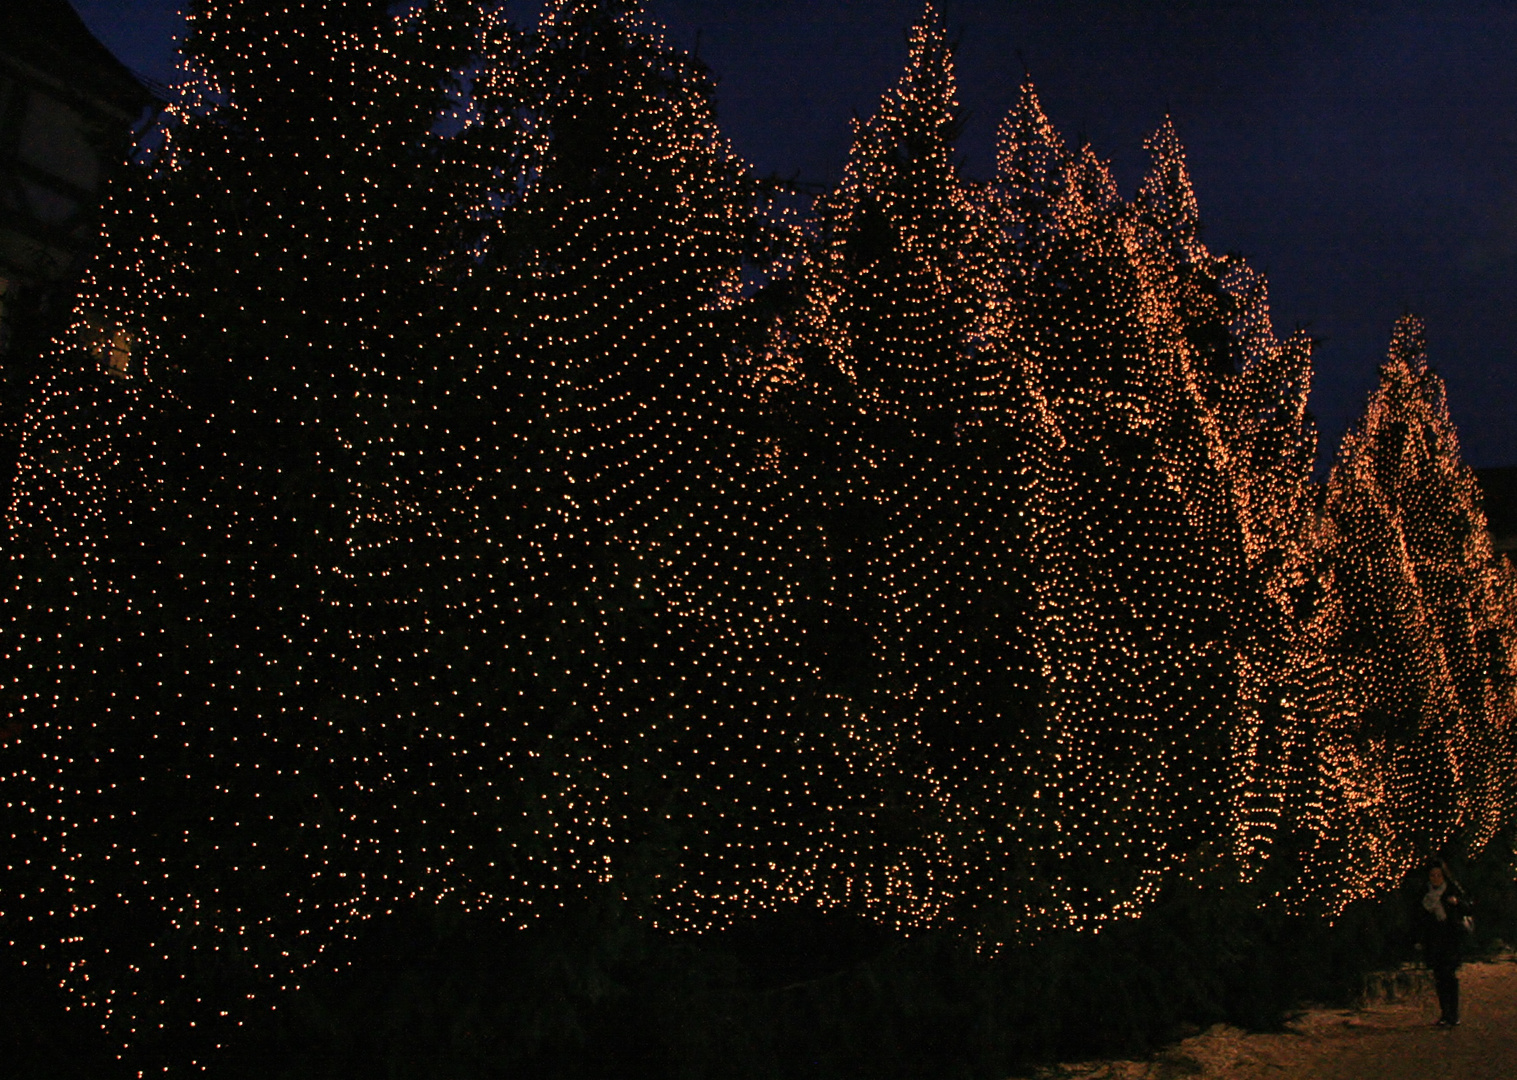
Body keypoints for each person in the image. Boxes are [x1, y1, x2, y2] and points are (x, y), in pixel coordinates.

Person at [1419, 858, 1471, 1027]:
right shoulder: (1426, 895)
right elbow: (1421, 919)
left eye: (1438, 875)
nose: (1435, 878)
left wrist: (1456, 904)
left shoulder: (1451, 891)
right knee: (1440, 977)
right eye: (1432, 875)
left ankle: (1453, 1014)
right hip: (1435, 941)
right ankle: (1445, 1013)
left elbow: (1467, 908)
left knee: (1449, 976)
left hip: (1450, 939)